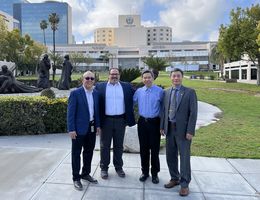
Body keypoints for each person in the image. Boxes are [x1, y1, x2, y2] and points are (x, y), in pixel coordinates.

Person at [160, 68, 197, 197]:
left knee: (185, 158)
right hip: (169, 128)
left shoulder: (189, 92)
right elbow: (164, 111)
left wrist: (190, 131)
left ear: (182, 77)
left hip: (183, 131)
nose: (176, 78)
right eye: (174, 76)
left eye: (178, 76)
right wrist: (162, 126)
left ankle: (184, 184)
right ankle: (174, 178)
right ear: (170, 78)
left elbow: (193, 113)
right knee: (170, 155)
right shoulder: (166, 92)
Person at [95, 68, 135, 179]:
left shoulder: (126, 86)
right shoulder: (100, 86)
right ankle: (104, 168)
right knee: (104, 146)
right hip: (106, 121)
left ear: (119, 75)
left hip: (121, 121)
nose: (114, 76)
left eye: (116, 74)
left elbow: (136, 97)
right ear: (108, 75)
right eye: (112, 74)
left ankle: (118, 167)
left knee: (118, 146)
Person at [67, 71, 101, 191]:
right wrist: (71, 129)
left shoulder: (96, 93)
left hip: (91, 128)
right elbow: (70, 113)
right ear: (83, 79)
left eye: (92, 78)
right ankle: (76, 178)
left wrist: (98, 125)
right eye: (87, 78)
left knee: (89, 152)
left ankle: (85, 173)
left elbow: (96, 111)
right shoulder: (75, 93)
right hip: (78, 130)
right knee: (76, 154)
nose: (90, 80)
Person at [133, 70, 164, 184]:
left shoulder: (160, 91)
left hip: (155, 123)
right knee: (144, 149)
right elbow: (132, 103)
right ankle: (145, 172)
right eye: (144, 77)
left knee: (154, 150)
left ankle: (155, 174)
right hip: (142, 123)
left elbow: (163, 108)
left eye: (149, 77)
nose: (147, 79)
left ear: (153, 78)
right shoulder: (139, 91)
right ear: (142, 79)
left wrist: (162, 125)